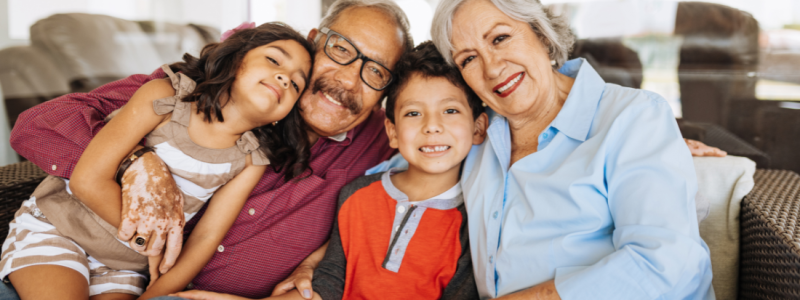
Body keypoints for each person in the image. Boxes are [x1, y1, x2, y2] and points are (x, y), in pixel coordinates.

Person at [7, 0, 412, 298]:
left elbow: (434, 159)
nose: (348, 79)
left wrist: (322, 260)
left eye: (375, 71)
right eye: (341, 49)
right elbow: (35, 128)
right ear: (314, 42)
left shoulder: (380, 139)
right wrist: (135, 161)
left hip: (132, 280)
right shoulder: (193, 93)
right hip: (62, 241)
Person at [0, 23, 314, 300]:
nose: (284, 78)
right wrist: (151, 241)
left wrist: (156, 294)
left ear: (283, 116)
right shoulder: (164, 98)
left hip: (126, 266)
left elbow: (205, 239)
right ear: (234, 59)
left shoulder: (251, 159)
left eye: (297, 84)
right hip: (62, 228)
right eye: (274, 60)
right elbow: (87, 182)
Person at [424, 0, 715, 298]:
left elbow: (666, 263)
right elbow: (408, 158)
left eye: (500, 38)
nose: (492, 67)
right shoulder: (474, 136)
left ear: (542, 34)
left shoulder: (633, 119)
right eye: (468, 59)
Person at [171, 41, 485, 300]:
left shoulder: (473, 219)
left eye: (451, 110)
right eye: (414, 113)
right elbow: (328, 282)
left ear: (478, 127)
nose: (432, 127)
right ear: (392, 131)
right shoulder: (357, 193)